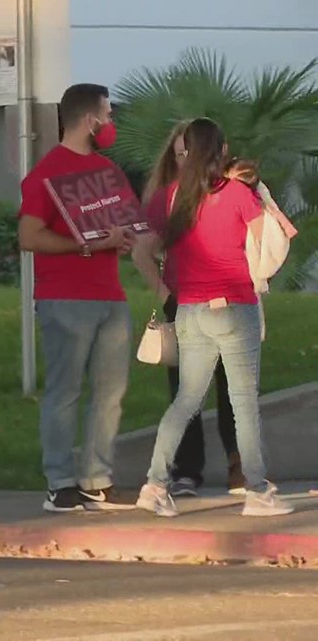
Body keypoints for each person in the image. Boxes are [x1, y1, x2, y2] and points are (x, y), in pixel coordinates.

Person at [135, 117, 293, 518]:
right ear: (221, 152)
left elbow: (142, 250)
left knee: (185, 400)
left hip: (189, 310)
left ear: (185, 151)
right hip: (234, 306)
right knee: (242, 402)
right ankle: (257, 491)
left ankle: (154, 486)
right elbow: (267, 245)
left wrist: (164, 290)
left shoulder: (168, 197)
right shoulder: (238, 194)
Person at [17, 83, 137, 512]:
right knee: (65, 391)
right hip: (64, 297)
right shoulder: (46, 173)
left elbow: (124, 227)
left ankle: (96, 479)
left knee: (110, 393)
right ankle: (60, 482)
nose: (111, 124)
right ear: (90, 120)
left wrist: (120, 240)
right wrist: (84, 245)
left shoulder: (109, 173)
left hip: (111, 296)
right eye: (108, 115)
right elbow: (28, 236)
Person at [134, 120, 242, 497]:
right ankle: (184, 470)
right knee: (186, 391)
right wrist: (165, 294)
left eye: (190, 153)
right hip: (184, 302)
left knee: (235, 388)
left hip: (229, 301)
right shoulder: (168, 197)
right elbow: (142, 250)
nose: (186, 161)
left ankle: (238, 462)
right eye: (180, 154)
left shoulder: (232, 193)